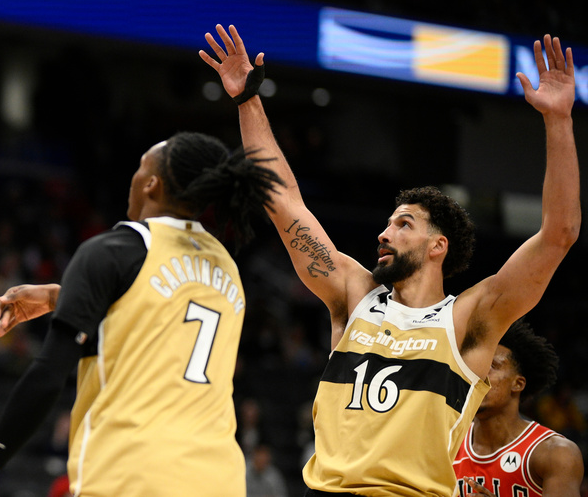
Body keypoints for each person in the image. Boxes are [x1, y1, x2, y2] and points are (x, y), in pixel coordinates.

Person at [199, 26, 580, 497]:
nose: (384, 233)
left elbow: (559, 234)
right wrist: (247, 100)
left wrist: (558, 120)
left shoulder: (468, 319)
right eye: (386, 223)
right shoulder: (353, 295)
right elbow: (283, 201)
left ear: (437, 246)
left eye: (403, 224)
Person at [0, 131, 282, 497]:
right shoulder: (227, 268)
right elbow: (151, 333)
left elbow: (46, 377)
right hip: (220, 479)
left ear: (152, 184)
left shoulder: (112, 250)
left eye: (141, 166)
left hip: (132, 471)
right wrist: (64, 297)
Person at [454, 319, 583, 497]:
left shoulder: (555, 453)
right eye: (473, 366)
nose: (478, 374)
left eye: (492, 366)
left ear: (518, 384)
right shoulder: (445, 443)